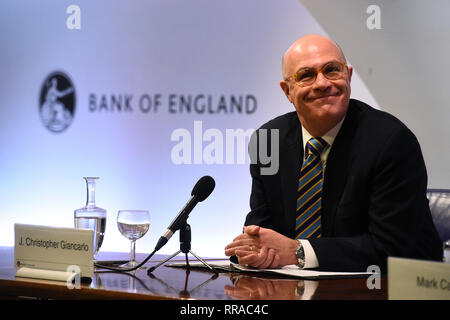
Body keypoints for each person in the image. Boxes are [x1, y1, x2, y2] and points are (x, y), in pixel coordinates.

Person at [224, 34, 442, 272]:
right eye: (306, 75)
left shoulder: (391, 142)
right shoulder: (268, 140)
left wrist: (297, 252)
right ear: (287, 91)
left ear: (348, 76)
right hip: (293, 288)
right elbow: (262, 225)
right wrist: (256, 250)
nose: (322, 83)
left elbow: (389, 249)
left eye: (331, 70)